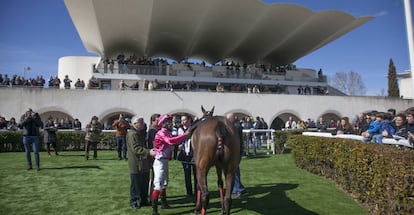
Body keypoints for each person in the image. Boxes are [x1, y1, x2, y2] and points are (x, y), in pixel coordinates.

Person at [150, 114, 191, 215]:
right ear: (163, 123)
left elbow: (176, 140)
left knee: (164, 183)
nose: (171, 123)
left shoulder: (167, 132)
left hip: (164, 161)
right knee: (158, 185)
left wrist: (185, 136)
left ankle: (164, 203)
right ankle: (154, 210)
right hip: (159, 162)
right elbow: (171, 141)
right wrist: (185, 135)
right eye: (168, 121)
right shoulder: (161, 133)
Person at [127, 116, 156, 209]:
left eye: (143, 122)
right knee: (136, 184)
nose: (143, 124)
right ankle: (134, 201)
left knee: (144, 182)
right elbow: (135, 148)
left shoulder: (140, 133)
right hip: (136, 163)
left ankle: (143, 200)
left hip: (143, 163)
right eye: (141, 122)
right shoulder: (132, 134)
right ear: (135, 124)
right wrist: (148, 152)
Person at [227, 112, 247, 199]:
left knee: (234, 171)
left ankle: (239, 190)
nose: (227, 121)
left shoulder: (236, 126)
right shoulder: (234, 125)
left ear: (233, 118)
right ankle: (238, 188)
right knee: (233, 171)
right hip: (234, 152)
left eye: (228, 119)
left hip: (237, 152)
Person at [177, 114, 197, 197]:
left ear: (189, 120)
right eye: (182, 120)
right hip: (185, 154)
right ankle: (189, 192)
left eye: (184, 120)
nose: (183, 122)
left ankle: (197, 191)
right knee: (187, 174)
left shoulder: (195, 129)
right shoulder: (181, 129)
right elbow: (182, 137)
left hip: (194, 154)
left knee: (196, 174)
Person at [147, 113, 160, 203]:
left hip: (155, 156)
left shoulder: (155, 130)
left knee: (155, 177)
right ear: (153, 121)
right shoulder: (152, 131)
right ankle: (151, 196)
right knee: (154, 177)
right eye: (157, 120)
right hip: (154, 157)